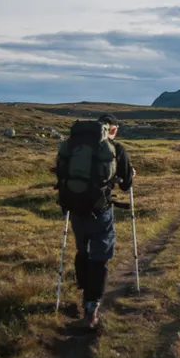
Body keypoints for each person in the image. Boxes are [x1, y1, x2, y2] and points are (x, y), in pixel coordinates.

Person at [57, 113, 135, 329]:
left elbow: (61, 173)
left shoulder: (73, 146)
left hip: (74, 207)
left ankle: (83, 287)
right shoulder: (117, 150)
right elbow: (127, 184)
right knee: (100, 255)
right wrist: (130, 174)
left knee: (83, 250)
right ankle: (91, 308)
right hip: (100, 210)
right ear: (113, 129)